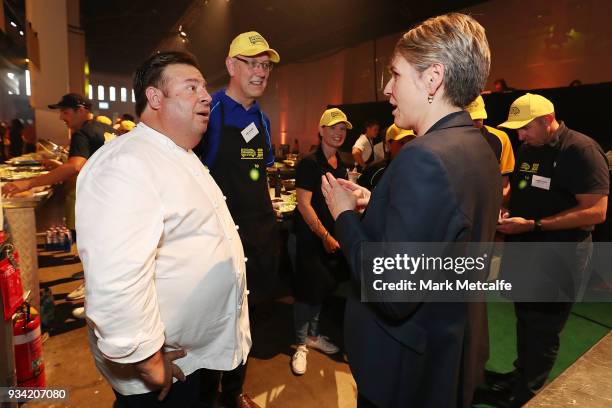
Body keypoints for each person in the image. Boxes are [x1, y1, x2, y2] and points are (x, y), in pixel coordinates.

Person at [320, 13, 500, 407]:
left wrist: (344, 215)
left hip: (406, 369)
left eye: (396, 75)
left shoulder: (425, 158)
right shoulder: (477, 146)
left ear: (432, 79)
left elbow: (392, 293)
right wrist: (378, 204)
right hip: (448, 351)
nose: (387, 88)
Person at [76, 51, 251, 408]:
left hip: (193, 361)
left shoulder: (180, 155)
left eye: (204, 87)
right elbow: (116, 283)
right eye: (191, 87)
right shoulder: (126, 164)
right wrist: (148, 362)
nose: (206, 96)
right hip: (161, 377)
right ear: (154, 98)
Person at [483, 93, 609, 407]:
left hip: (559, 256)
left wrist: (535, 224)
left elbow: (597, 211)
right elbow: (524, 188)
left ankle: (529, 393)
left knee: (544, 328)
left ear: (547, 120)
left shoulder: (581, 150)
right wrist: (506, 206)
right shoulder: (528, 149)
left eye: (524, 128)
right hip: (524, 248)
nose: (519, 135)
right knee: (524, 318)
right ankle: (519, 376)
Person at [194, 31, 280, 408]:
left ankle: (232, 393)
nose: (260, 72)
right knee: (212, 322)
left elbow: (261, 173)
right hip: (219, 240)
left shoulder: (262, 118)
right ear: (231, 66)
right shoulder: (208, 111)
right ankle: (205, 394)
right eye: (252, 63)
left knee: (246, 320)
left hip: (259, 235)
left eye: (265, 65)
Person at [3, 93, 116, 320]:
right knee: (105, 256)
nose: (61, 117)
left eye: (65, 111)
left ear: (80, 109)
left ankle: (97, 308)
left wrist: (28, 182)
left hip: (98, 203)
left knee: (95, 256)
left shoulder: (82, 133)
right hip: (111, 200)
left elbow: (75, 167)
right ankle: (100, 305)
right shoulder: (102, 129)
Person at [290, 108, 351, 375]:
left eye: (343, 129)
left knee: (321, 290)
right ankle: (300, 344)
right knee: (306, 293)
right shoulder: (309, 163)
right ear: (321, 130)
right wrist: (325, 235)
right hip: (310, 239)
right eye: (333, 128)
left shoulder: (343, 164)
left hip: (331, 239)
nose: (339, 133)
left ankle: (313, 336)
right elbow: (304, 205)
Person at [465, 95, 515, 196]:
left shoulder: (500, 138)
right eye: (472, 118)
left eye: (479, 117)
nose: (477, 122)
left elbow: (504, 181)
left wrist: (499, 205)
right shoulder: (446, 140)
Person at [357, 124, 415, 190]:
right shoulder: (375, 170)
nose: (407, 146)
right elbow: (359, 190)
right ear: (388, 144)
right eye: (401, 142)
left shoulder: (417, 169)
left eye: (410, 142)